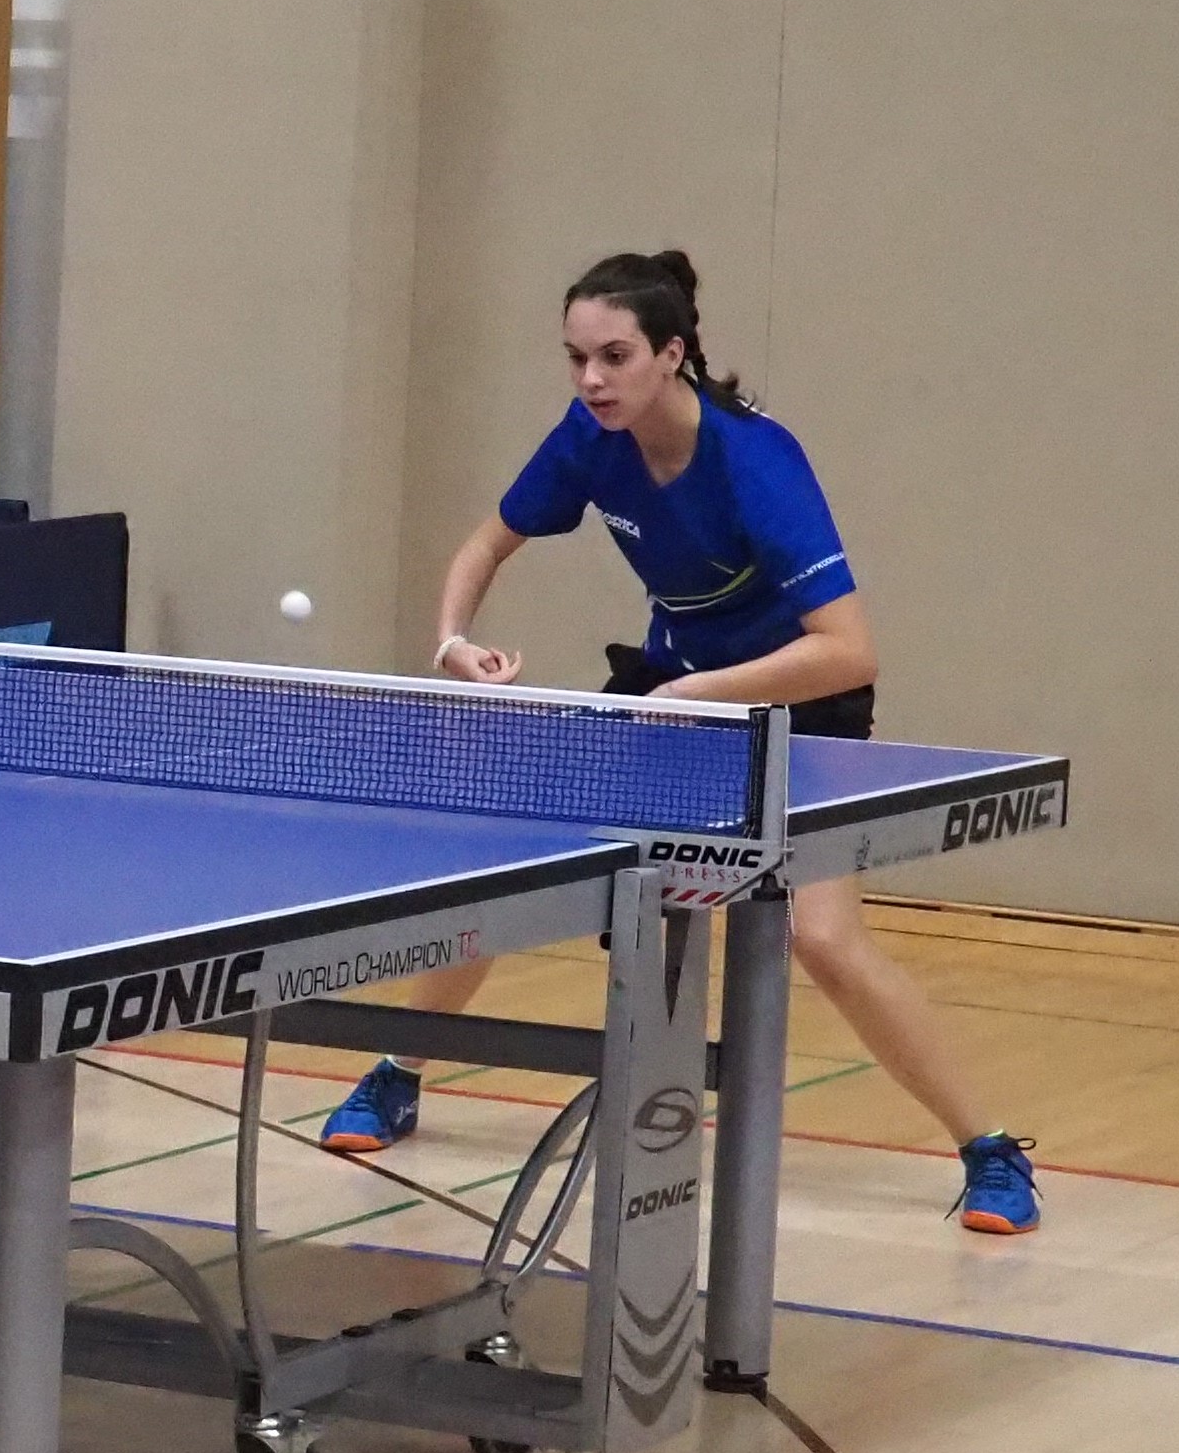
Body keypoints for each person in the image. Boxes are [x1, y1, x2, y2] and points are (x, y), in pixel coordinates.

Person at [321, 249, 1042, 1237]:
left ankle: (989, 1149)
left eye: (613, 356)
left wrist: (701, 692)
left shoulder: (755, 463)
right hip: (673, 690)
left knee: (823, 938)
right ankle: (398, 1069)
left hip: (798, 701)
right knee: (511, 871)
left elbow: (846, 649)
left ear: (671, 354)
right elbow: (487, 542)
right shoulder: (590, 436)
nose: (590, 378)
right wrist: (452, 639)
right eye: (575, 357)